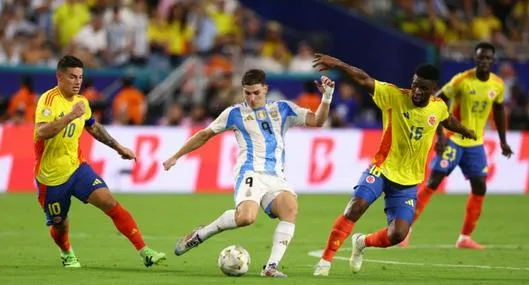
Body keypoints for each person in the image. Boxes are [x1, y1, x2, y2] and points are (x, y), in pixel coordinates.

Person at [310, 53, 476, 276]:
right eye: (415, 85)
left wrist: (465, 130)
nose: (417, 91)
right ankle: (325, 261)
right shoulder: (394, 96)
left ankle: (361, 243)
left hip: (408, 181)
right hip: (382, 169)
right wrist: (338, 64)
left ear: (433, 88)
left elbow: (447, 120)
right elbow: (363, 78)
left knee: (398, 234)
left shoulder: (438, 107)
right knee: (355, 206)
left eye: (423, 88)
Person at [163, 69, 335, 278]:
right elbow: (205, 134)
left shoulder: (283, 109)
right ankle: (200, 234)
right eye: (247, 93)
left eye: (256, 93)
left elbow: (317, 121)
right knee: (246, 218)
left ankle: (271, 266)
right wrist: (176, 156)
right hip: (250, 172)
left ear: (265, 88)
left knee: (290, 208)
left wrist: (326, 97)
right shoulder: (234, 114)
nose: (252, 98)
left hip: (275, 176)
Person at [34, 55, 166, 268]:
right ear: (59, 77)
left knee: (110, 202)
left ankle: (145, 251)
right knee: (59, 224)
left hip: (77, 168)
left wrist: (119, 147)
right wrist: (68, 116)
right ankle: (66, 251)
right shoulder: (48, 100)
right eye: (72, 77)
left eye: (80, 77)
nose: (77, 82)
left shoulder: (82, 102)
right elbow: (42, 132)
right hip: (50, 178)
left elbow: (93, 127)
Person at [399, 42, 513, 249]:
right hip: (453, 139)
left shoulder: (497, 85)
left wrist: (503, 140)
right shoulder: (461, 80)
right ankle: (405, 230)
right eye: (481, 58)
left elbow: (497, 110)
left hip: (475, 143)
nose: (484, 61)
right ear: (475, 59)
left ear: (493, 61)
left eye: (488, 58)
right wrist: (440, 134)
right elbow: (436, 101)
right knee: (433, 180)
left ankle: (465, 238)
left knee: (480, 187)